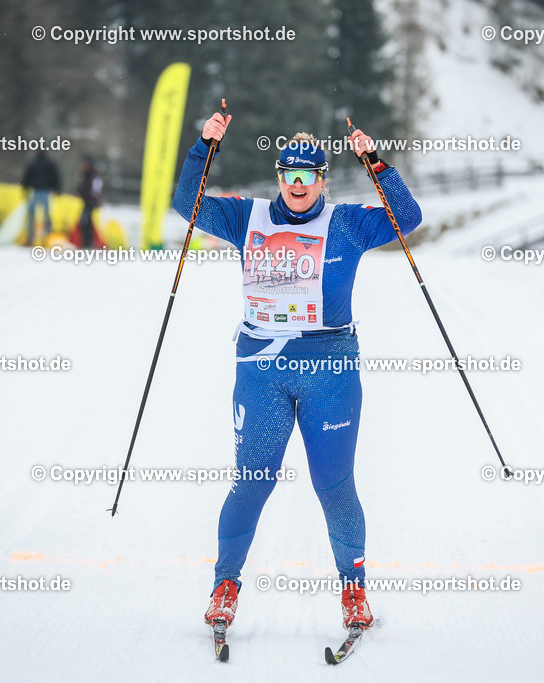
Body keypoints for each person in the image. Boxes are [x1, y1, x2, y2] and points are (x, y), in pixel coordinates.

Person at [172, 110, 422, 633]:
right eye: (289, 175)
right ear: (279, 176)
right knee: (252, 482)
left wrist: (375, 162)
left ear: (322, 180)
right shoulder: (249, 217)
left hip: (329, 370)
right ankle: (225, 585)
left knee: (333, 485)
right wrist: (204, 147)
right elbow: (185, 205)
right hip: (261, 370)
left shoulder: (348, 224)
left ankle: (353, 590)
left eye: (308, 176)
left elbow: (408, 216)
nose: (297, 186)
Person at [21, 151, 61, 246]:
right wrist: (57, 188)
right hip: (46, 191)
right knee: (46, 216)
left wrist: (25, 189)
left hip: (35, 191)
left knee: (32, 216)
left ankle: (31, 238)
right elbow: (55, 177)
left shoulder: (33, 163)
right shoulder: (50, 164)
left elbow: (27, 177)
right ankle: (47, 238)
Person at [77, 156, 104, 249]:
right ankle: (86, 242)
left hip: (91, 202)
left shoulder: (93, 175)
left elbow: (95, 189)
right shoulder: (86, 174)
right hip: (87, 201)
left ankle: (88, 243)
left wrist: (95, 198)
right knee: (86, 222)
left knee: (86, 222)